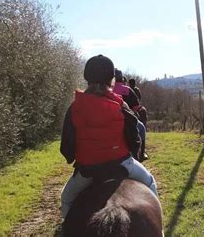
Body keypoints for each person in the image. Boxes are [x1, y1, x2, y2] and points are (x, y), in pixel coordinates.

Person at [60, 55, 157, 218]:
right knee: (150, 182)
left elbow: (67, 145)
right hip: (122, 163)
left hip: (87, 170)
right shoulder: (121, 105)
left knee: (66, 200)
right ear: (111, 80)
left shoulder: (75, 107)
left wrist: (73, 157)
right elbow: (134, 135)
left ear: (87, 78)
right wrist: (133, 153)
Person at [113, 69, 149, 160]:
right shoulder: (127, 89)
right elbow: (136, 106)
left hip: (110, 118)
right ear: (121, 79)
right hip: (127, 118)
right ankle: (141, 154)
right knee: (142, 129)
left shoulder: (107, 89)